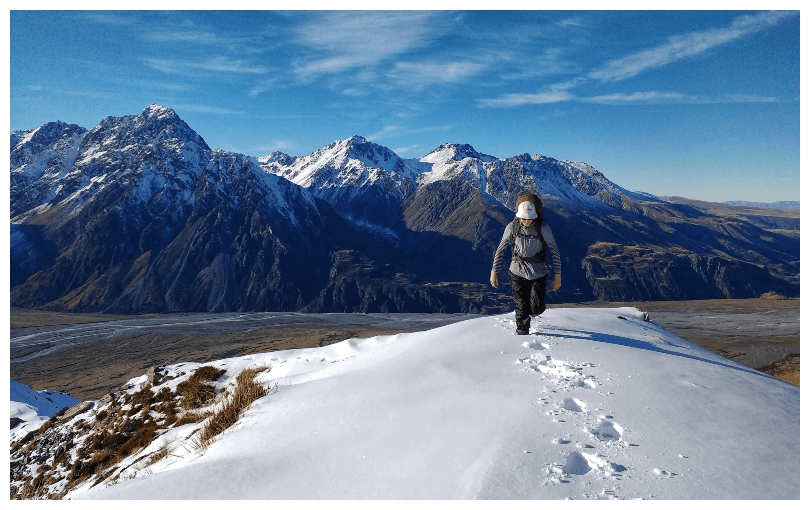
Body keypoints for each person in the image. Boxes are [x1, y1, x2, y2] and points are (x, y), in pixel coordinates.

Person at [490, 194, 561, 335]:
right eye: (523, 219)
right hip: (517, 271)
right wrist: (494, 271)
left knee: (537, 308)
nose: (526, 222)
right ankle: (522, 332)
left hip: (538, 272)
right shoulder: (512, 227)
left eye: (529, 219)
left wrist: (558, 275)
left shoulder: (543, 229)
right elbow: (501, 248)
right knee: (521, 304)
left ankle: (529, 313)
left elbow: (555, 251)